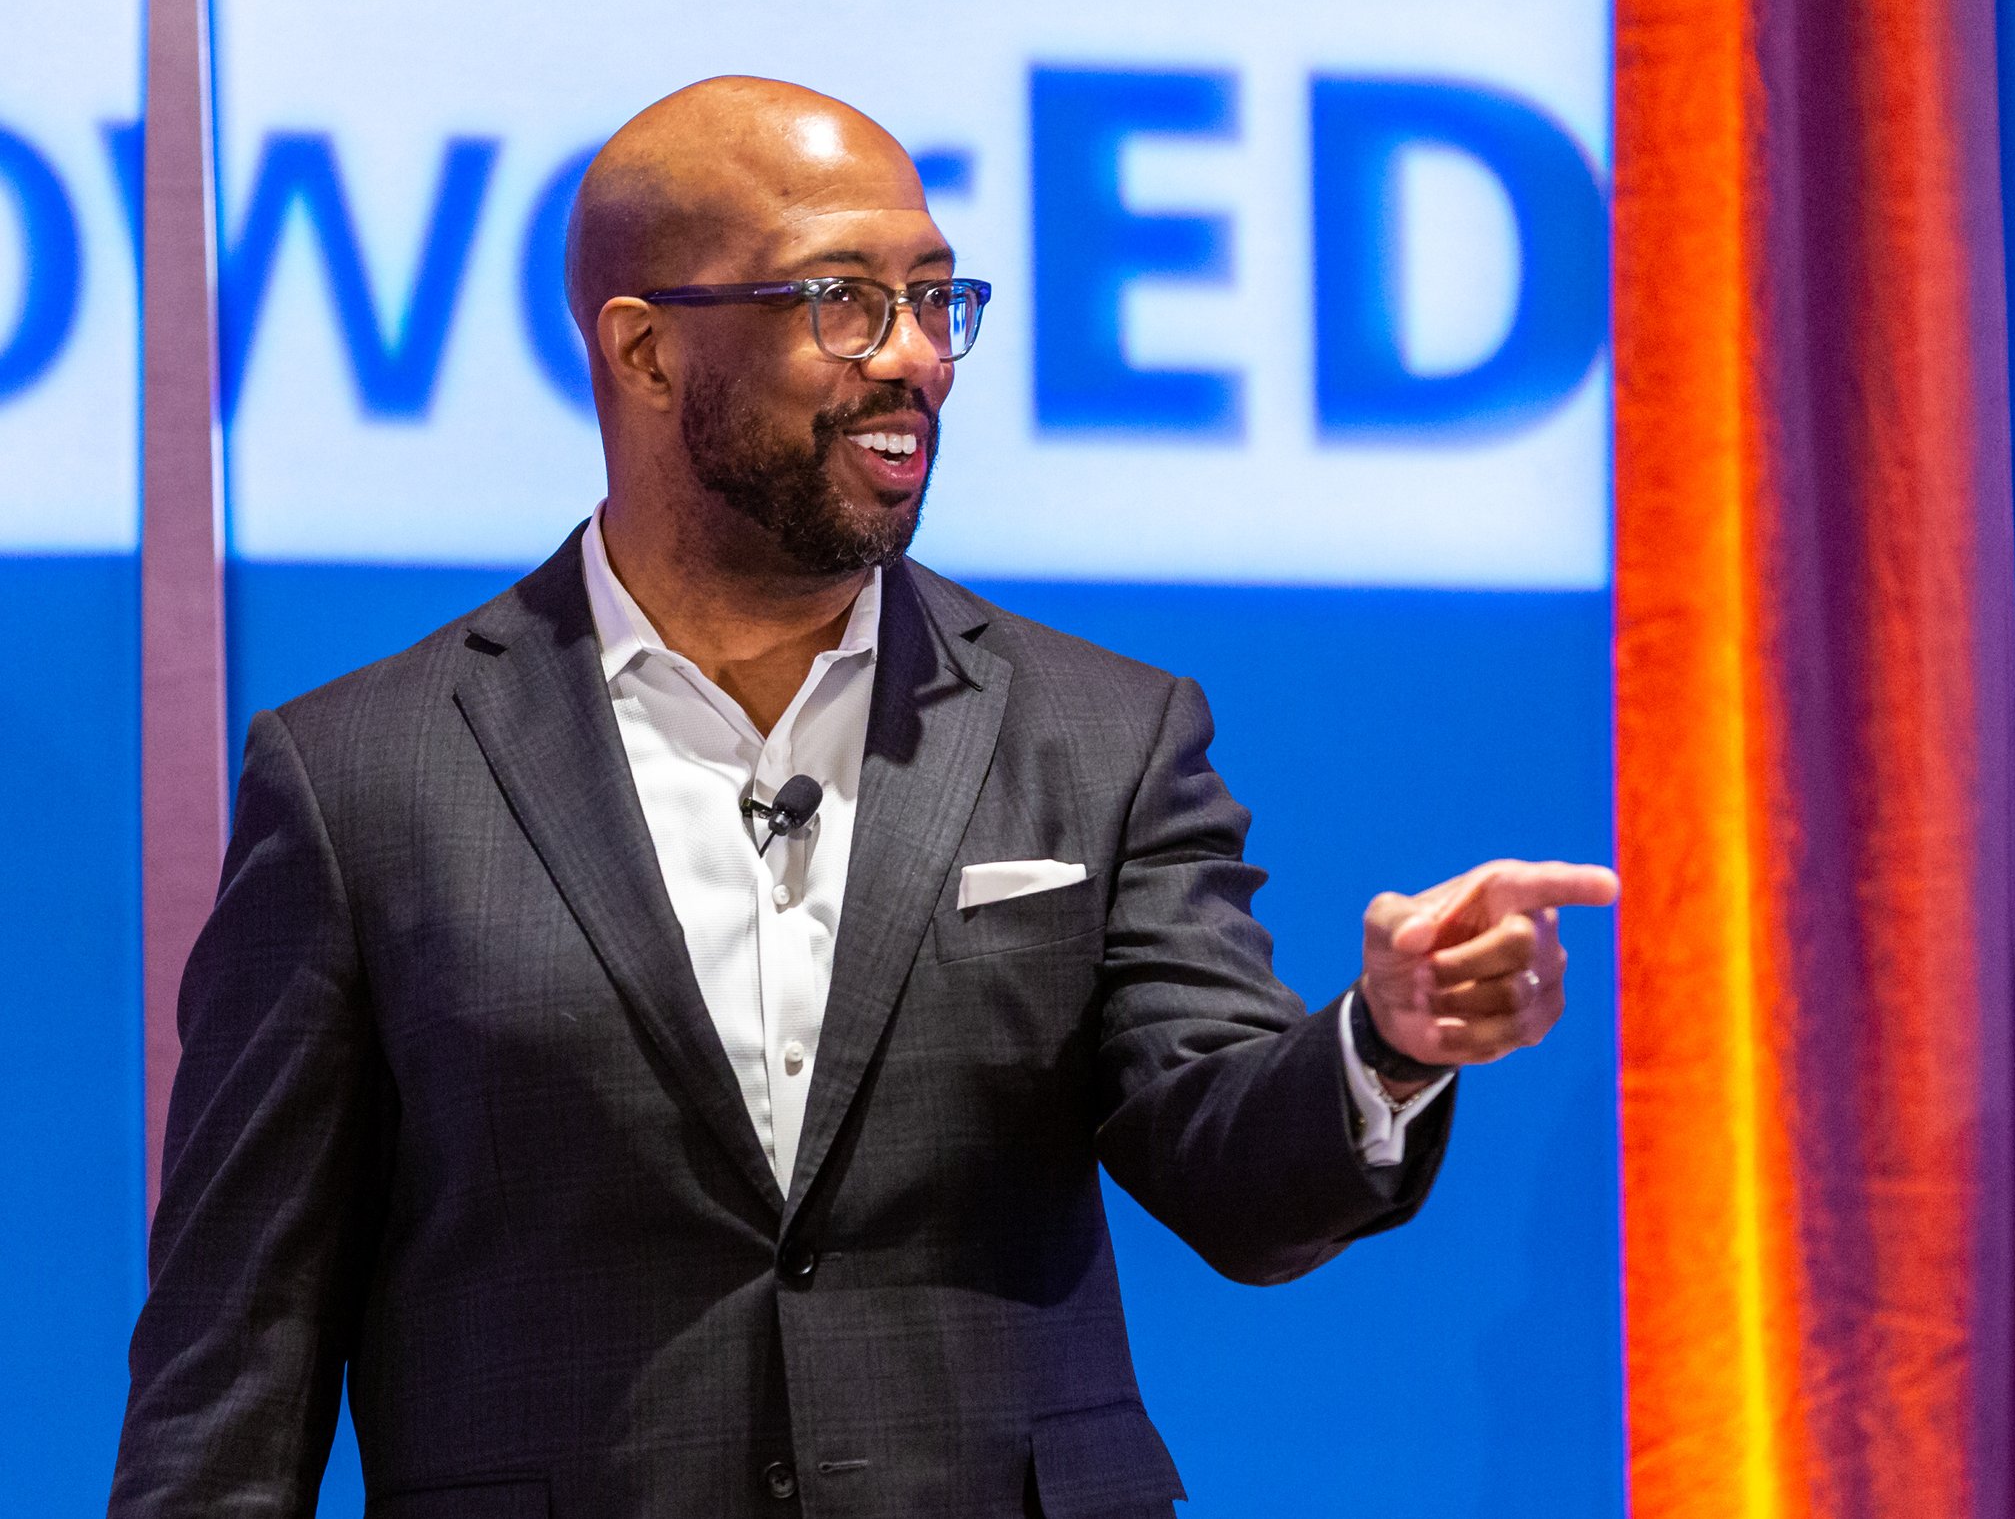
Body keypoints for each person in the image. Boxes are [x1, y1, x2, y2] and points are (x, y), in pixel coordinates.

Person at [109, 75, 1618, 1519]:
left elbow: (1229, 1165)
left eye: (935, 297)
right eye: (844, 300)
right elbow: (236, 1356)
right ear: (643, 352)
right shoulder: (366, 773)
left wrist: (1383, 1044)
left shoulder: (1100, 735)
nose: (916, 357)